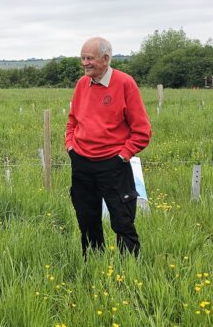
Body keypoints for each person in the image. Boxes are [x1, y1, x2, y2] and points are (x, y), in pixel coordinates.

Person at [65, 36, 151, 258]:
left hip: (113, 164)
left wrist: (122, 156)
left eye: (89, 58)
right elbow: (72, 120)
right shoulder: (82, 84)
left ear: (105, 58)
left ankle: (130, 269)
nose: (84, 63)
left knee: (122, 220)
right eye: (82, 58)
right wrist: (70, 147)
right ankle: (93, 263)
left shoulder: (125, 83)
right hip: (82, 162)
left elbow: (142, 131)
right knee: (86, 218)